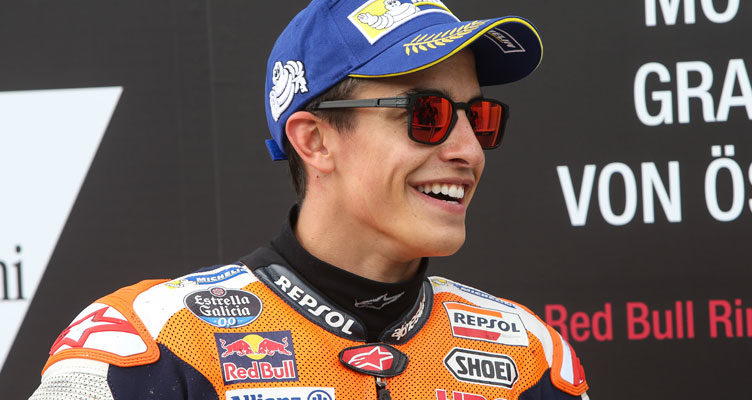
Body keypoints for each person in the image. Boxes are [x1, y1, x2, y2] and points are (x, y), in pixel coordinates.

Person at [29, 1, 590, 399]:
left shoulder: (529, 356)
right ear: (315, 141)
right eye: (427, 114)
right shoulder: (149, 343)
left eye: (479, 117)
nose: (468, 149)